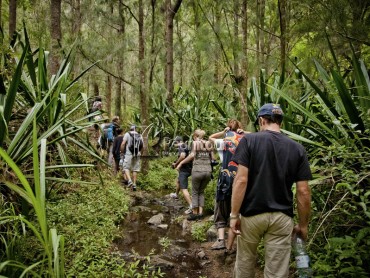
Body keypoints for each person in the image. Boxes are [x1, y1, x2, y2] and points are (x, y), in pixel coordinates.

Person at [229, 103, 312, 278]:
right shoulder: (298, 148)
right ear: (280, 121)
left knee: (244, 263)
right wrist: (303, 225)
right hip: (282, 217)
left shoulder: (249, 141)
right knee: (277, 271)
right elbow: (303, 191)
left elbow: (241, 180)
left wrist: (234, 215)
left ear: (261, 120)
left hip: (252, 214)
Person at [209, 119, 247, 253]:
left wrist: (222, 132)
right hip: (240, 181)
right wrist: (245, 132)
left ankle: (220, 241)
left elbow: (210, 137)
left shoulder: (223, 141)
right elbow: (259, 136)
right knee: (235, 213)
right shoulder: (244, 140)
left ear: (227, 128)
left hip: (224, 180)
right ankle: (230, 247)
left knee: (220, 210)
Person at [176, 129, 213, 221]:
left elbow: (192, 155)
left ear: (194, 136)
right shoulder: (208, 143)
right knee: (201, 191)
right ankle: (201, 213)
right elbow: (213, 158)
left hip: (198, 170)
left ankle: (194, 213)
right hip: (208, 171)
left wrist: (180, 163)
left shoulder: (195, 143)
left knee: (195, 191)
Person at [170, 136, 193, 214]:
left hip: (184, 169)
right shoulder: (187, 146)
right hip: (190, 168)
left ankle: (191, 206)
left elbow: (182, 156)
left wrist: (177, 163)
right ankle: (176, 194)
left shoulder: (181, 147)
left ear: (177, 142)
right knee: (179, 180)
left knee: (184, 188)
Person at [120, 125, 143, 191]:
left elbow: (123, 144)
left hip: (128, 153)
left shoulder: (127, 134)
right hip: (137, 154)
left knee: (125, 167)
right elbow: (142, 146)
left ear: (130, 129)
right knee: (135, 169)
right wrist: (139, 153)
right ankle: (134, 184)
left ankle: (130, 181)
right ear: (136, 129)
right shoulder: (140, 135)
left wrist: (122, 152)